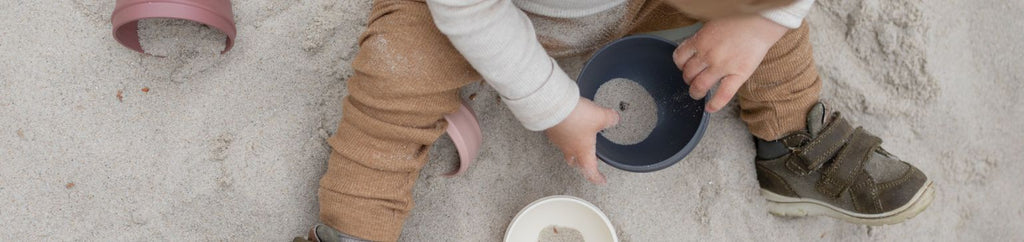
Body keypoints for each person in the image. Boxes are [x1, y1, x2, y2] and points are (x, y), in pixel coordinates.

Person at [296, 0, 935, 241]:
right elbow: (468, 12)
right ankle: (355, 226)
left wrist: (762, 21)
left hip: (644, 5)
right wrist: (554, 106)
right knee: (395, 68)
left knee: (767, 34)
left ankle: (793, 140)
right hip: (485, 14)